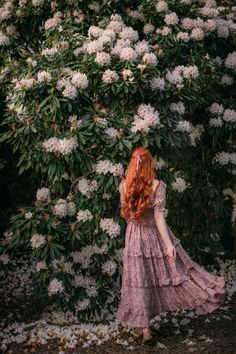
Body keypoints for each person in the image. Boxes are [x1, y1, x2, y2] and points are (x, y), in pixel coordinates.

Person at [115, 146, 226, 344]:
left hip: (133, 237)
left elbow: (127, 216)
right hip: (154, 235)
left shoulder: (124, 186)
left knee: (139, 278)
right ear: (150, 165)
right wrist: (168, 245)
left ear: (132, 164)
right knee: (168, 274)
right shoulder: (158, 186)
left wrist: (135, 228)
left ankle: (144, 329)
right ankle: (145, 328)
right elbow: (159, 218)